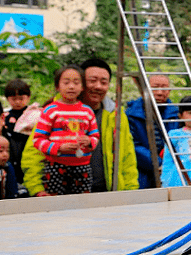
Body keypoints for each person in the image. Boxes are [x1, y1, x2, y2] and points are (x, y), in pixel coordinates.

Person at [21, 58, 139, 196]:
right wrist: (36, 189)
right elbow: (34, 153)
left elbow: (127, 156)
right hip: (60, 192)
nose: (98, 86)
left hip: (105, 194)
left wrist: (131, 191)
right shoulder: (54, 111)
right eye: (92, 80)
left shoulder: (116, 114)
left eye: (104, 82)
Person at [32, 65, 99, 195]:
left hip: (83, 166)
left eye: (76, 82)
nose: (71, 86)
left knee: (83, 201)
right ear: (57, 86)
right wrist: (58, 148)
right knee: (55, 201)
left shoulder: (87, 111)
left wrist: (89, 141)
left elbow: (95, 136)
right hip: (56, 166)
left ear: (82, 87)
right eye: (66, 82)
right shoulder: (50, 110)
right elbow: (38, 140)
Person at [126, 75, 180, 189]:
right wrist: (158, 163)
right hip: (140, 170)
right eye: (155, 88)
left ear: (169, 91)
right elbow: (132, 145)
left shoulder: (176, 114)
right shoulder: (131, 113)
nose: (160, 92)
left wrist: (167, 163)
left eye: (164, 88)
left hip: (170, 170)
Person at [2, 78, 31, 191]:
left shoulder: (33, 114)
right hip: (11, 153)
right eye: (14, 99)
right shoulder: (6, 116)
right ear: (8, 99)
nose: (18, 102)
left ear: (28, 97)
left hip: (28, 150)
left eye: (21, 98)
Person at [0, 134, 17, 199]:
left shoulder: (8, 167)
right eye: (1, 151)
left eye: (8, 151)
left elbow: (12, 188)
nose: (5, 154)